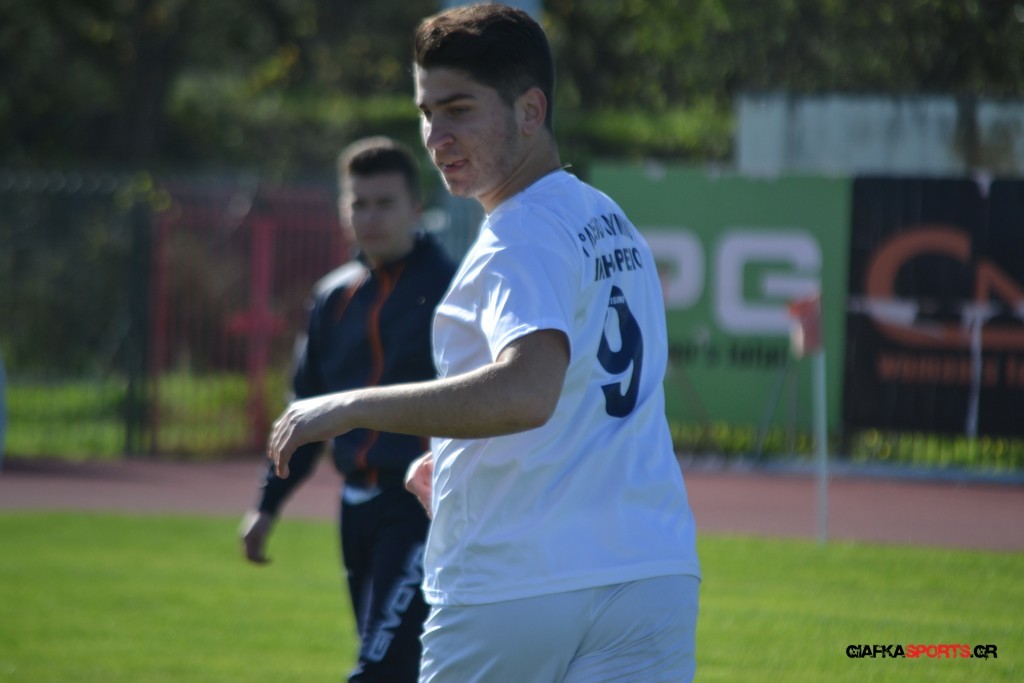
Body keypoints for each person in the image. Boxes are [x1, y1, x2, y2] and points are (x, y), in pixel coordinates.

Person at [268, 4, 701, 682]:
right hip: (650, 572)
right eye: (426, 112)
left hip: (517, 581)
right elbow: (581, 401)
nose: (435, 136)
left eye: (459, 109)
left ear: (531, 111)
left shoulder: (517, 234)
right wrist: (458, 460)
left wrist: (349, 405)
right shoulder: (607, 217)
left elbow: (526, 392)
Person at [241, 136, 456, 683]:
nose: (371, 217)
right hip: (355, 508)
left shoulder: (453, 288)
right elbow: (305, 410)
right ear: (342, 210)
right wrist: (268, 505)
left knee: (378, 669)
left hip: (423, 507)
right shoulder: (332, 298)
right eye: (359, 203)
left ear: (416, 207)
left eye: (385, 203)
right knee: (403, 668)